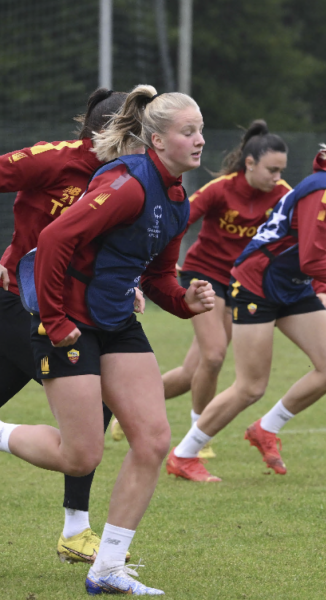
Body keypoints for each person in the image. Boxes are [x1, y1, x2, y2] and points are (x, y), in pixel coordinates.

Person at [0, 84, 215, 595]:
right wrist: (54, 320)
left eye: (202, 129)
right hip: (67, 319)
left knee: (154, 438)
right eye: (189, 131)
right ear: (157, 140)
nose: (200, 140)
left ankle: (108, 566)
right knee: (81, 455)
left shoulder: (178, 200)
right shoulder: (128, 185)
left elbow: (160, 274)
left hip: (116, 321)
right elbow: (53, 240)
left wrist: (186, 301)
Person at [166, 124, 326, 482]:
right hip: (258, 284)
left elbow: (307, 255)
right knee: (249, 386)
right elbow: (311, 258)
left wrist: (322, 289)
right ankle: (184, 455)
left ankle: (266, 428)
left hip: (291, 284)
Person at [0, 88, 137, 564]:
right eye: (134, 134)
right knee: (94, 396)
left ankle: (75, 530)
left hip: (72, 309)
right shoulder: (53, 160)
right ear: (106, 133)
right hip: (24, 306)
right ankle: (76, 529)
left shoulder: (127, 176)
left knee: (94, 402)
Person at [111, 121, 293, 458]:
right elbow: (178, 218)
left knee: (192, 373)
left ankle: (127, 408)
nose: (277, 177)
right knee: (214, 355)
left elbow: (303, 240)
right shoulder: (220, 189)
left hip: (241, 284)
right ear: (250, 164)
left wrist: (321, 288)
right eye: (271, 169)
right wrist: (164, 262)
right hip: (203, 275)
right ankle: (200, 435)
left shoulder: (283, 195)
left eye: (281, 170)